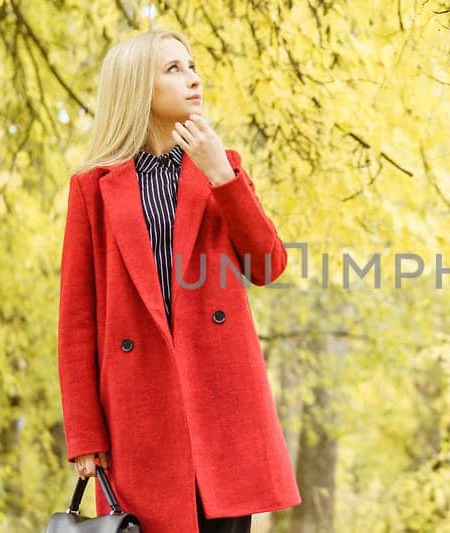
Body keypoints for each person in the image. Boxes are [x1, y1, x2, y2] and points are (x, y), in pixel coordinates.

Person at [56, 29, 300, 533]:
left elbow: (268, 265)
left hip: (220, 399)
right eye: (174, 69)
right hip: (139, 407)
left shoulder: (220, 166)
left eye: (192, 67)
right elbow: (77, 317)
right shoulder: (93, 187)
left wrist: (223, 179)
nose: (193, 79)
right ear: (136, 87)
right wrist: (84, 431)